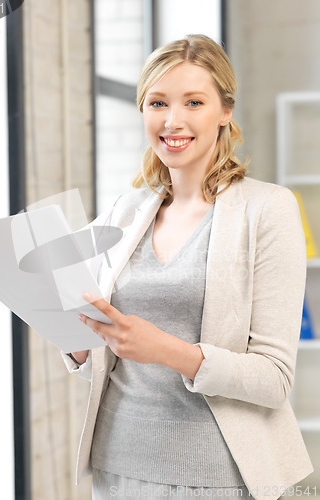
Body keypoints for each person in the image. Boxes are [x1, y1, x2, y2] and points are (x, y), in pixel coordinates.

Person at [61, 34, 313, 499]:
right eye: (157, 102)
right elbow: (107, 349)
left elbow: (274, 379)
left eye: (193, 102)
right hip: (119, 468)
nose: (172, 120)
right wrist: (75, 341)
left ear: (225, 111)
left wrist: (165, 349)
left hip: (222, 473)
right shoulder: (124, 211)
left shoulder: (269, 209)